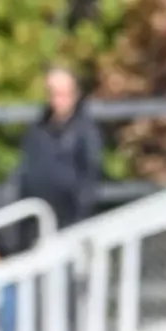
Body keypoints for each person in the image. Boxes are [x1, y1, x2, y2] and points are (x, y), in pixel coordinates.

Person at [13, 67, 103, 234]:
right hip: (36, 219)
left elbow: (88, 180)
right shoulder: (37, 129)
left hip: (69, 220)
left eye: (62, 93)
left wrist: (78, 219)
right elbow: (25, 169)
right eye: (52, 93)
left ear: (74, 94)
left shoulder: (85, 132)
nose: (57, 100)